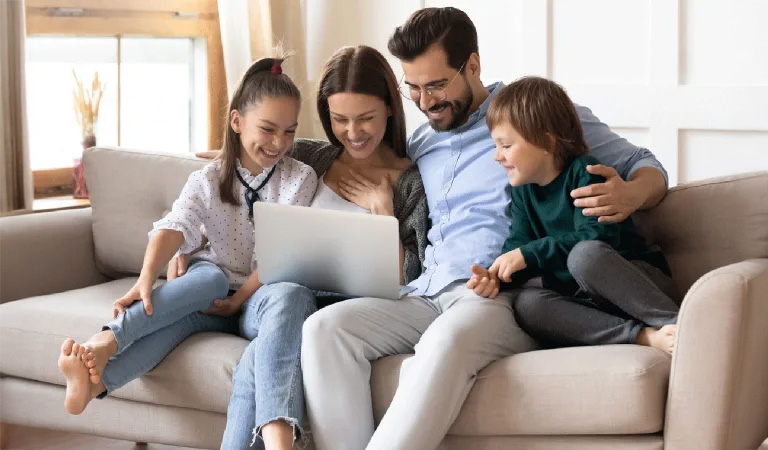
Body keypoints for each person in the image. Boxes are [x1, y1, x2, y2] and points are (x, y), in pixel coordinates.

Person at [300, 7, 671, 450]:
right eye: (413, 88)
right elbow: (345, 146)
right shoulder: (422, 142)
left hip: (498, 299)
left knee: (444, 343)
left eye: (436, 85)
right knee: (325, 329)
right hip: (426, 293)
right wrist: (239, 157)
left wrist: (630, 195)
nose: (424, 102)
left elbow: (644, 163)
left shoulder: (531, 117)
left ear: (472, 66)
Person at [169, 45, 429, 448]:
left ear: (390, 110)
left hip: (350, 313)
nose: (353, 132)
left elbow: (410, 278)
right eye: (340, 119)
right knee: (257, 357)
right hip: (289, 301)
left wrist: (384, 216)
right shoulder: (311, 156)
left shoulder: (407, 180)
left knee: (258, 358)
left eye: (366, 119)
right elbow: (231, 176)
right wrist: (186, 245)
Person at [57, 56, 318, 450]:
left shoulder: (300, 178)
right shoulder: (208, 179)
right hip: (208, 296)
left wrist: (239, 302)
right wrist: (145, 281)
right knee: (206, 279)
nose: (279, 143)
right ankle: (100, 364)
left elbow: (279, 255)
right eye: (267, 129)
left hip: (257, 298)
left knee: (290, 294)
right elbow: (174, 226)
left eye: (289, 131)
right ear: (237, 122)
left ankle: (104, 355)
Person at [470, 76, 678, 355]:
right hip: (590, 301)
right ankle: (643, 337)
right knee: (528, 304)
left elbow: (595, 237)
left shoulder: (587, 173)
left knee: (585, 256)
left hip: (635, 284)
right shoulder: (522, 190)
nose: (497, 156)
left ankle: (680, 323)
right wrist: (496, 275)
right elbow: (518, 242)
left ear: (546, 142)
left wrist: (528, 255)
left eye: (505, 146)